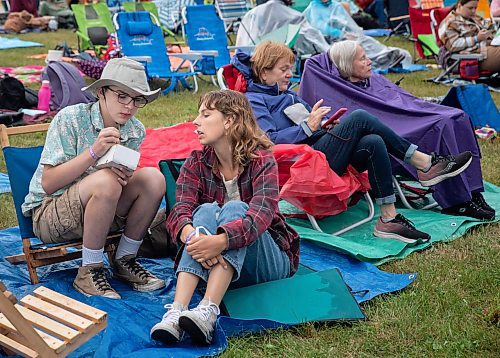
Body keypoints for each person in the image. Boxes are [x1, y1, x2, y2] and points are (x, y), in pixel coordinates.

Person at [232, 41, 476, 244]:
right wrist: (308, 127)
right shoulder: (253, 101)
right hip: (303, 165)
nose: (289, 74)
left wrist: (325, 123)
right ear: (264, 72)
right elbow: (268, 143)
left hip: (319, 152)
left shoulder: (287, 95)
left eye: (290, 68)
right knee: (359, 117)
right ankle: (423, 162)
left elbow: (311, 125)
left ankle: (388, 219)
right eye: (283, 69)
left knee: (373, 141)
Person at [150, 90, 299, 345]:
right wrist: (194, 237)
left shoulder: (262, 160)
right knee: (205, 211)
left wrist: (220, 242)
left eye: (206, 115)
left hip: (266, 262)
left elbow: (260, 217)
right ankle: (177, 311)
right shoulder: (197, 161)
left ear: (229, 120)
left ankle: (208, 310)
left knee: (236, 209)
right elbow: (179, 211)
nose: (196, 121)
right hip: (210, 260)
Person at [298, 40, 495, 220]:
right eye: (362, 58)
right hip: (391, 133)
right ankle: (457, 200)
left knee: (457, 117)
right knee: (440, 125)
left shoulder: (371, 79)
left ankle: (473, 191)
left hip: (403, 120)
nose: (369, 61)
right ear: (348, 65)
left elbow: (401, 99)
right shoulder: (334, 90)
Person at [22, 58, 166, 299]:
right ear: (101, 92)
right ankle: (89, 270)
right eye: (122, 95)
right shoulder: (70, 118)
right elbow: (48, 183)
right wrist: (93, 153)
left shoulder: (134, 129)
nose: (129, 106)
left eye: (137, 99)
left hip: (102, 210)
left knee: (153, 178)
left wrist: (125, 175)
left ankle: (124, 260)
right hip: (50, 215)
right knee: (106, 180)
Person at [439, 0, 500, 73]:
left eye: (475, 8)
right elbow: (453, 45)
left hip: (486, 49)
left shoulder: (474, 17)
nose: (473, 11)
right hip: (473, 56)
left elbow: (490, 27)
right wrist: (476, 38)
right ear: (459, 6)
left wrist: (491, 31)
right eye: (470, 8)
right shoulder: (450, 22)